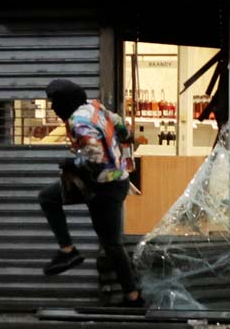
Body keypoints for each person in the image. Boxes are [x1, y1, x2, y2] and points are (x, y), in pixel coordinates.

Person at [37, 78, 144, 308]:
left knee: (112, 245)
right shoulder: (96, 108)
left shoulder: (78, 122)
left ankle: (134, 298)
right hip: (110, 181)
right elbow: (123, 129)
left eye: (54, 103)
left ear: (65, 102)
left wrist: (72, 163)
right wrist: (122, 145)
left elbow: (96, 157)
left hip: (104, 188)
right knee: (49, 197)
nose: (53, 108)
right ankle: (68, 251)